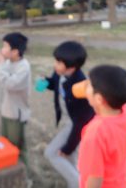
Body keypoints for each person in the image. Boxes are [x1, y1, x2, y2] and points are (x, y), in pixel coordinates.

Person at [43, 41, 94, 188]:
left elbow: (80, 122)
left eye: (59, 62)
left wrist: (68, 147)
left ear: (72, 67)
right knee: (73, 160)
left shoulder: (80, 87)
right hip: (68, 121)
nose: (55, 65)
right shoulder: (60, 73)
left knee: (51, 153)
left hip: (75, 124)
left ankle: (78, 183)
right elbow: (55, 84)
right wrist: (46, 82)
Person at [78, 65, 126, 188]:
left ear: (98, 99)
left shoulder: (95, 133)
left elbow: (95, 178)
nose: (85, 86)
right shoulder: (125, 111)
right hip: (123, 182)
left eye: (89, 85)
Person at [0, 32, 31, 164]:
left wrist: (0, 64)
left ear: (15, 51)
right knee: (6, 145)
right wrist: (3, 64)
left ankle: (24, 178)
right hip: (6, 111)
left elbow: (9, 84)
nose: (1, 49)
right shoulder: (8, 62)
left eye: (5, 46)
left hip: (16, 115)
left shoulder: (24, 67)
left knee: (17, 148)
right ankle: (9, 171)